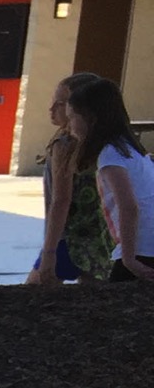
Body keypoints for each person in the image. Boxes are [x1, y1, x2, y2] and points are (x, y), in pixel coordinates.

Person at [67, 75, 154, 284]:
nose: (69, 126)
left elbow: (128, 206)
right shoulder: (129, 147)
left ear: (91, 118)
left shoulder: (110, 154)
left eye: (72, 118)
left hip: (141, 249)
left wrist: (129, 259)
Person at [26, 73, 111, 284]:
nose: (51, 108)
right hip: (99, 239)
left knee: (32, 292)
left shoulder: (64, 144)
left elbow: (61, 200)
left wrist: (49, 251)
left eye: (61, 104)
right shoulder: (104, 142)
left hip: (67, 239)